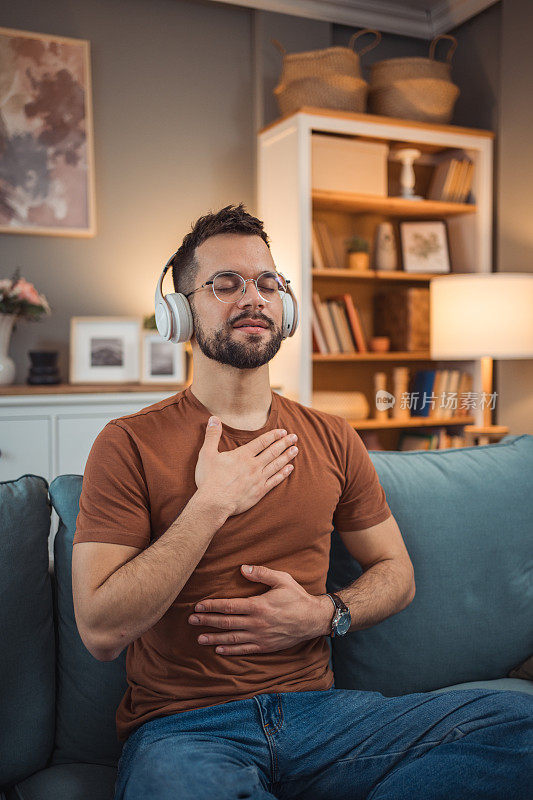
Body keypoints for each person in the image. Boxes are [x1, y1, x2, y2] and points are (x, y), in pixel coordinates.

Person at [72, 203, 533, 800]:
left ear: (285, 309)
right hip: (186, 730)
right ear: (178, 313)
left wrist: (325, 615)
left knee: (513, 728)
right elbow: (101, 630)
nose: (253, 298)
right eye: (225, 284)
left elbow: (397, 574)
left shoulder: (333, 436)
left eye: (268, 283)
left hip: (323, 720)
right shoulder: (128, 442)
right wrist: (212, 503)